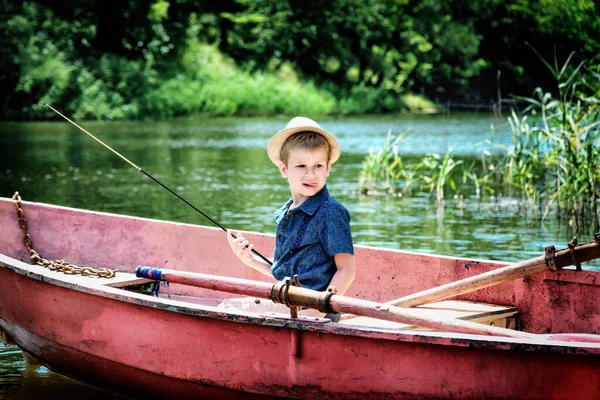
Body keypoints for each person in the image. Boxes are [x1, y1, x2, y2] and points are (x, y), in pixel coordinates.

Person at [226, 116, 356, 300]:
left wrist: (318, 311)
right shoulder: (286, 213)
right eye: (301, 165)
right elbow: (283, 272)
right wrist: (250, 260)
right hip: (287, 303)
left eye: (318, 166)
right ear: (284, 170)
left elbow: (346, 270)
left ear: (328, 168)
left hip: (313, 311)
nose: (310, 174)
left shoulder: (330, 212)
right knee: (229, 307)